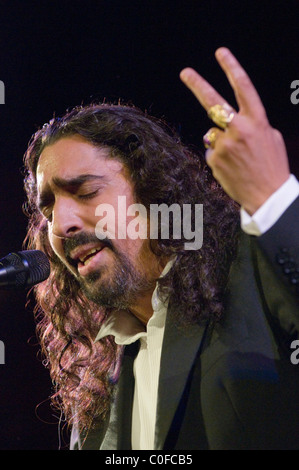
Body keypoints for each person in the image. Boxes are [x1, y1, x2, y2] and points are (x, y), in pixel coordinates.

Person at [23, 48, 299, 450]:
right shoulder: (98, 385)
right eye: (47, 210)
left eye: (84, 191)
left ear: (154, 194)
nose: (61, 225)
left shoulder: (248, 273)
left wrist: (274, 197)